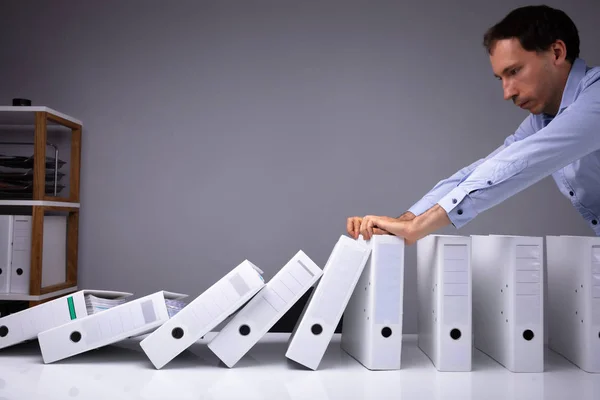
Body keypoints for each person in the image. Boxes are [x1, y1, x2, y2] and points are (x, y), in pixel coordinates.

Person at [346, 5, 600, 244]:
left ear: (557, 52)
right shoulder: (542, 121)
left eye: (514, 71)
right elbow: (486, 168)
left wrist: (420, 226)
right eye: (501, 78)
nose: (507, 92)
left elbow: (525, 160)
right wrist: (405, 221)